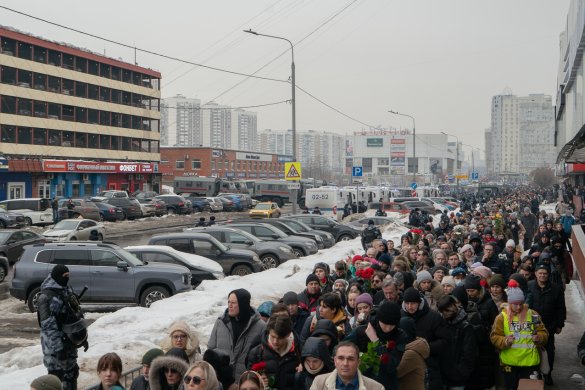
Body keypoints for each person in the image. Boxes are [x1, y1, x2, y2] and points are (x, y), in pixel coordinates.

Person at [490, 280, 548, 390]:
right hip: (509, 364)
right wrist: (505, 341)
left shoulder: (533, 315)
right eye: (515, 304)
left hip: (530, 363)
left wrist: (539, 338)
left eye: (521, 303)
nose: (518, 307)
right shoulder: (501, 317)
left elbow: (544, 332)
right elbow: (494, 337)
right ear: (509, 303)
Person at [37, 264, 89, 390]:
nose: (67, 279)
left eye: (68, 276)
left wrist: (82, 339)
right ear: (56, 276)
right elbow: (49, 328)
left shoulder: (65, 290)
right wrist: (59, 350)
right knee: (56, 381)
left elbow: (74, 316)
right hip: (55, 350)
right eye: (64, 276)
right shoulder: (46, 297)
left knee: (71, 375)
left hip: (69, 345)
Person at [208, 289, 266, 378]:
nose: (229, 306)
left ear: (243, 304)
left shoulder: (260, 326)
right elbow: (211, 349)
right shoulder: (221, 322)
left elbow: (263, 356)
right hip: (222, 380)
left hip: (245, 381)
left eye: (234, 303)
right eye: (229, 302)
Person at [401, 287, 449, 390]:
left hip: (430, 367)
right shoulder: (400, 317)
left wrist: (425, 348)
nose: (410, 306)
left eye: (413, 303)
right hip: (406, 366)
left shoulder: (434, 317)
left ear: (419, 303)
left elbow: (444, 341)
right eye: (407, 303)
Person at [527, 262, 566, 385]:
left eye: (545, 274)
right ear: (536, 274)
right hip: (531, 326)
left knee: (549, 351)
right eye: (540, 273)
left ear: (548, 275)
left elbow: (561, 307)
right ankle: (534, 373)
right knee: (532, 350)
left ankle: (548, 373)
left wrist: (560, 324)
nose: (543, 276)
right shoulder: (529, 286)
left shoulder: (556, 289)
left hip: (549, 326)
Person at [247, 316, 300, 390]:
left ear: (288, 335)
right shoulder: (256, 353)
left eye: (280, 338)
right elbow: (247, 381)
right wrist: (257, 380)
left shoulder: (299, 351)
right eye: (272, 336)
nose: (275, 341)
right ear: (268, 332)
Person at [436, 295, 478, 390]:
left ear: (453, 307)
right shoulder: (444, 323)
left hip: (458, 376)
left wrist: (460, 372)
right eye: (442, 312)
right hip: (444, 374)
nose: (444, 314)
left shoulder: (465, 326)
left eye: (446, 311)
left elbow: (468, 353)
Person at [309, 341, 384, 390]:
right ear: (335, 361)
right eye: (341, 358)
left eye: (350, 359)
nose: (345, 363)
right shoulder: (319, 382)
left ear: (358, 362)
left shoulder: (376, 388)